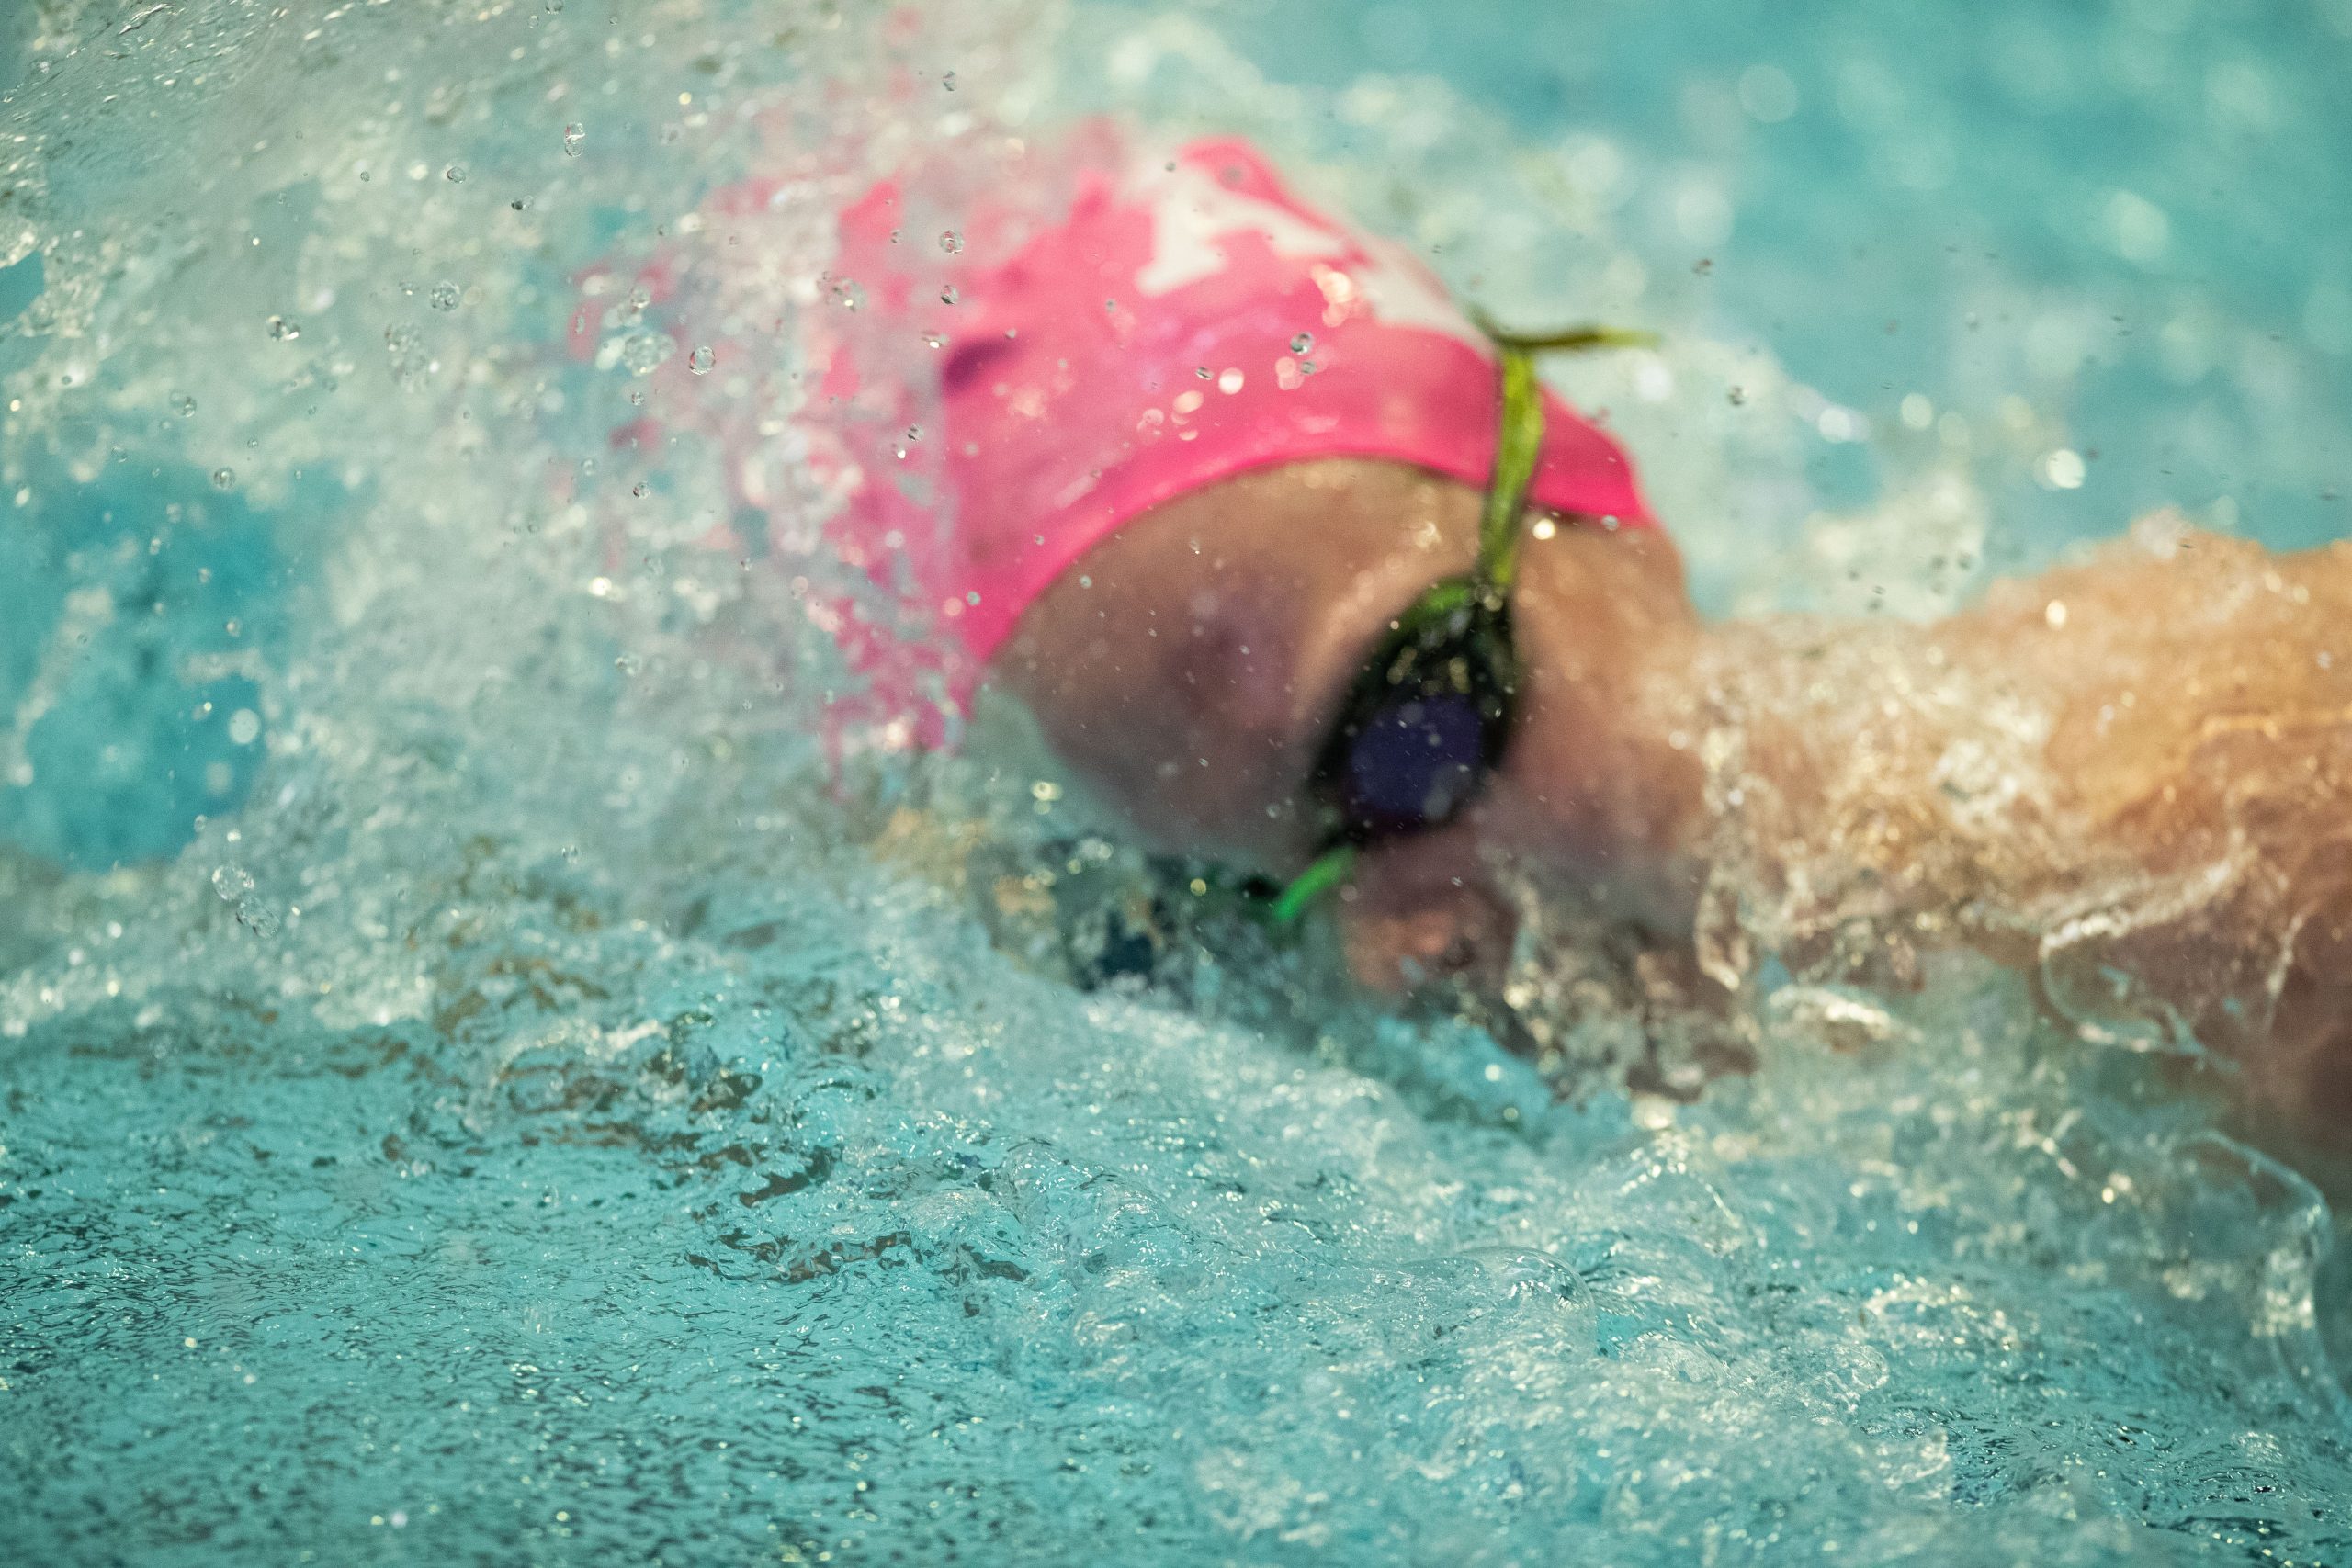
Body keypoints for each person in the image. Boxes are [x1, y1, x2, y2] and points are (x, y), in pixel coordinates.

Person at [639, 127, 2352, 1140]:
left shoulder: (2180, 813)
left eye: (1409, 738)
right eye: (1233, 907)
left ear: (1600, 512)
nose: (1400, 954)